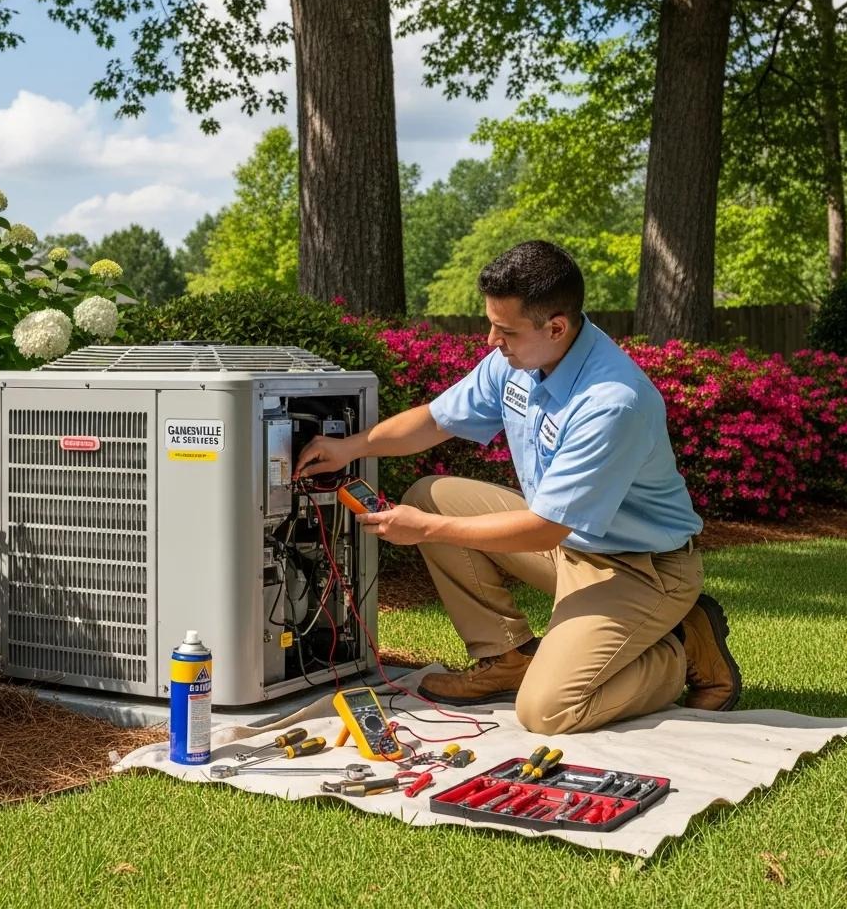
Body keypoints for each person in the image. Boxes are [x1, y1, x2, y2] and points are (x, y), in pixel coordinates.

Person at [295, 240, 742, 735]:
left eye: (505, 330)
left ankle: (678, 647)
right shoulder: (517, 362)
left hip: (639, 570)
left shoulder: (612, 403)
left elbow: (543, 528)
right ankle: (506, 657)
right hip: (571, 545)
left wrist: (425, 530)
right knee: (429, 494)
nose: (490, 340)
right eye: (491, 323)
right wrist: (350, 447)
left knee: (547, 712)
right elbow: (435, 421)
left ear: (556, 327)